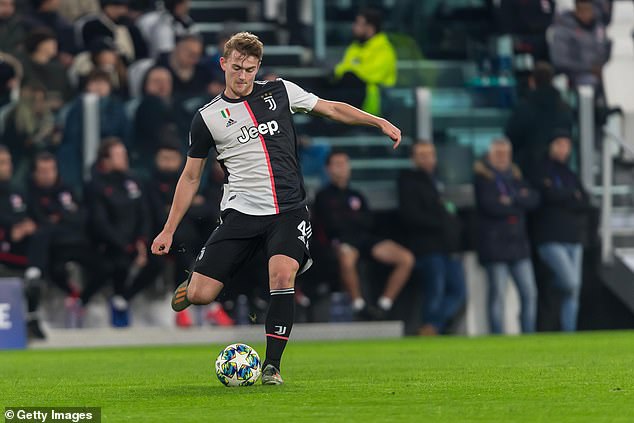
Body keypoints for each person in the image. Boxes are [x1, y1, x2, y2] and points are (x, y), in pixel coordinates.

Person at [151, 32, 401, 385]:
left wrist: (377, 121)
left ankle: (272, 366)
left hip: (288, 211)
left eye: (250, 69)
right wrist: (168, 229)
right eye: (236, 68)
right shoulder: (207, 118)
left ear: (258, 68)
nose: (242, 76)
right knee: (201, 295)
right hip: (241, 213)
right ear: (223, 64)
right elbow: (191, 177)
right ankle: (194, 284)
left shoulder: (281, 91)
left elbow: (331, 108)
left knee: (283, 277)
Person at [313, 150, 415, 321]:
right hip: (341, 241)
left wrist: (351, 220)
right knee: (346, 258)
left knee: (406, 258)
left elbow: (368, 221)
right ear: (328, 169)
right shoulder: (323, 196)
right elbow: (331, 225)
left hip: (364, 239)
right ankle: (359, 305)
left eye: (345, 164)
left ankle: (384, 304)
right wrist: (352, 221)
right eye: (337, 164)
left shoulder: (356, 195)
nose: (342, 168)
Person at [83, 138, 162, 327]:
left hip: (136, 242)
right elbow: (99, 222)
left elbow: (144, 213)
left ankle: (123, 299)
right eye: (118, 155)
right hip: (108, 244)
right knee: (114, 265)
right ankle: (84, 302)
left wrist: (141, 241)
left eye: (124, 154)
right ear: (105, 160)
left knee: (157, 262)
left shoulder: (133, 181)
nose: (124, 159)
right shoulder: (95, 185)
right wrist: (126, 246)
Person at [397, 142, 466, 336]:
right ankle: (430, 327)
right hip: (427, 247)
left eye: (430, 154)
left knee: (458, 291)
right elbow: (411, 215)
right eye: (422, 155)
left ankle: (432, 327)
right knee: (435, 290)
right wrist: (443, 220)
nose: (427, 159)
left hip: (449, 246)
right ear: (413, 158)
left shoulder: (439, 180)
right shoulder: (408, 181)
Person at [474, 139, 539, 334]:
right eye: (498, 154)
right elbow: (490, 206)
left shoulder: (516, 177)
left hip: (519, 245)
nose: (502, 158)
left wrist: (511, 200)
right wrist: (519, 201)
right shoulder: (483, 179)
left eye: (505, 154)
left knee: (529, 293)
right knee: (498, 295)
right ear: (490, 155)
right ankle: (497, 336)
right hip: (495, 246)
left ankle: (528, 334)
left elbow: (534, 200)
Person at [531, 132, 589, 331]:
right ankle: (554, 290)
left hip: (573, 238)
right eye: (559, 144)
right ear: (551, 146)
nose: (563, 149)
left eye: (566, 145)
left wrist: (561, 194)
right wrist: (571, 194)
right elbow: (547, 196)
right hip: (550, 238)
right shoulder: (541, 170)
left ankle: (569, 333)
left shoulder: (570, 173)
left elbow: (584, 201)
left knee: (574, 290)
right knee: (570, 283)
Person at [0, 145, 42, 338]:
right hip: (4, 246)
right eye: (2, 163)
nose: (8, 166)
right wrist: (10, 231)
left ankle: (32, 317)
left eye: (8, 162)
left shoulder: (18, 191)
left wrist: (27, 226)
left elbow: (34, 216)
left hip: (20, 249)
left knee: (41, 236)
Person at [504, 62, 574, 176]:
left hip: (527, 169)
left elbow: (511, 137)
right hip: (557, 171)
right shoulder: (564, 108)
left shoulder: (523, 108)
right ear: (551, 81)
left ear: (532, 82)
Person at [333, 8, 397, 116]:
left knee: (351, 80)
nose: (354, 27)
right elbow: (340, 70)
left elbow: (371, 75)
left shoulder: (383, 48)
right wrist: (351, 70)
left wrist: (351, 70)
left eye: (358, 24)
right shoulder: (354, 47)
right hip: (352, 97)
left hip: (375, 102)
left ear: (370, 28)